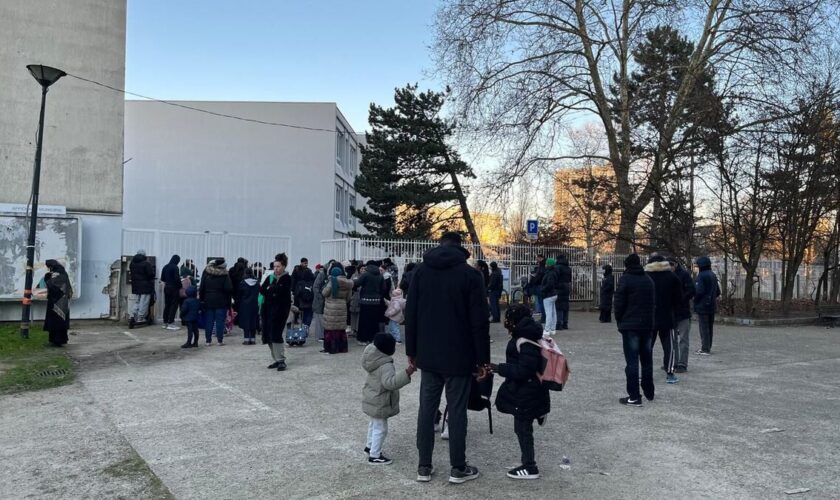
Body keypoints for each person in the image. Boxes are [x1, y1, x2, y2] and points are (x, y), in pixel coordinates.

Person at [405, 232, 490, 485]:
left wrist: (412, 350)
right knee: (457, 411)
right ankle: (458, 467)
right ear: (461, 248)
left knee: (426, 409)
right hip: (459, 355)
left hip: (428, 354)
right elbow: (479, 322)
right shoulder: (471, 275)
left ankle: (423, 466)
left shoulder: (420, 272)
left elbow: (411, 313)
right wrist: (482, 360)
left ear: (439, 245)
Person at [490, 303, 550, 480]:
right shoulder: (528, 334)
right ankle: (539, 412)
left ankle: (530, 467)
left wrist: (499, 368)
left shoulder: (524, 341)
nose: (506, 322)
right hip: (530, 391)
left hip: (528, 392)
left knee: (522, 428)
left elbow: (524, 370)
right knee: (521, 425)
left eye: (508, 319)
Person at [362, 334, 416, 465]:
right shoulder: (385, 365)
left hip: (372, 398)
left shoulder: (372, 359)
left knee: (373, 424)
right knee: (381, 428)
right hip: (381, 400)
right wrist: (407, 373)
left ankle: (369, 447)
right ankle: (375, 455)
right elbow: (390, 383)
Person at [614, 254, 656, 407]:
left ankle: (634, 396)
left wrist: (620, 321)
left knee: (631, 362)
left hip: (630, 326)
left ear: (626, 265)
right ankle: (649, 390)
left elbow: (618, 303)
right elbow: (653, 303)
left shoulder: (625, 279)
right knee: (646, 360)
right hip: (647, 325)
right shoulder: (648, 279)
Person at [645, 255, 683, 384]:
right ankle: (670, 372)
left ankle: (645, 372)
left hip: (649, 318)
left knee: (647, 346)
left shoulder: (646, 277)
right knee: (669, 347)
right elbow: (679, 299)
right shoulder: (672, 277)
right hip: (668, 317)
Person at [261, 254, 292, 371]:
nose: (276, 269)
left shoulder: (287, 278)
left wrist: (272, 289)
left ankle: (281, 360)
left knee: (276, 334)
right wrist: (272, 289)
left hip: (280, 311)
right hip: (268, 310)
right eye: (274, 266)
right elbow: (262, 289)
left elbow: (281, 292)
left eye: (278, 266)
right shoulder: (270, 277)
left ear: (283, 266)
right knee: (268, 335)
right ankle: (275, 359)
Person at [669, 257, 696, 373]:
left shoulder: (684, 275)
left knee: (683, 339)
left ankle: (682, 363)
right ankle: (673, 362)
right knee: (673, 340)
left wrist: (682, 299)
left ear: (674, 265)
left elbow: (691, 290)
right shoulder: (668, 275)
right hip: (672, 312)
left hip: (682, 311)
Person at [199, 258, 233, 346]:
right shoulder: (225, 274)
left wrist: (202, 299)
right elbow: (228, 289)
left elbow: (202, 287)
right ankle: (219, 340)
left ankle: (208, 341)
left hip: (208, 300)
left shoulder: (206, 272)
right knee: (220, 321)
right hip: (221, 301)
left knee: (209, 321)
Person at [322, 264, 353, 353]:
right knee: (340, 329)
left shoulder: (332, 281)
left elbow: (324, 293)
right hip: (342, 307)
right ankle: (342, 348)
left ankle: (331, 348)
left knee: (331, 329)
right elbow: (348, 298)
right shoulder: (348, 283)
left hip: (330, 308)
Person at [354, 261, 386, 346]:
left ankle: (363, 339)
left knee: (364, 321)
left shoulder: (365, 274)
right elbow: (383, 288)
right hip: (376, 302)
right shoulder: (380, 275)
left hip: (365, 301)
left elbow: (357, 283)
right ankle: (373, 339)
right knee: (374, 321)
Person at [42, 259, 73, 347]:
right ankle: (56, 339)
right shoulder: (63, 273)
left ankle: (57, 340)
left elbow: (54, 288)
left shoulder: (57, 274)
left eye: (49, 267)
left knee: (56, 322)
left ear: (52, 266)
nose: (48, 269)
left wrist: (47, 278)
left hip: (56, 302)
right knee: (59, 321)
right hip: (63, 302)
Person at [694, 256, 720, 355]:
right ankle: (708, 347)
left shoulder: (701, 276)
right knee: (709, 327)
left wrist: (695, 300)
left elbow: (699, 291)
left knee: (703, 327)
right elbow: (718, 291)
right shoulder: (713, 275)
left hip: (702, 305)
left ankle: (705, 348)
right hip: (712, 305)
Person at [128, 249, 155, 328]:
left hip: (136, 286)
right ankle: (140, 318)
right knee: (144, 302)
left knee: (137, 301)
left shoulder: (132, 263)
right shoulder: (146, 263)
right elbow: (151, 274)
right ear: (144, 255)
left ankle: (132, 316)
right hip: (146, 286)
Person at [160, 254, 182, 331]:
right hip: (174, 288)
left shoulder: (165, 267)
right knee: (174, 305)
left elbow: (162, 278)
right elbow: (177, 278)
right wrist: (180, 286)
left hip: (167, 288)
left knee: (167, 305)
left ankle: (165, 322)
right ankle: (171, 323)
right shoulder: (175, 267)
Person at [238, 268, 260, 345]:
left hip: (245, 305)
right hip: (254, 303)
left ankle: (246, 339)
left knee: (246, 321)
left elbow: (239, 295)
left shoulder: (242, 283)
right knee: (253, 320)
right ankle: (253, 339)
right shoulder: (257, 283)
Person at [540, 258, 559, 337]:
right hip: (553, 294)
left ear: (549, 265)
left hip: (548, 295)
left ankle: (547, 330)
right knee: (553, 313)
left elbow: (549, 284)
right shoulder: (554, 272)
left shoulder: (549, 273)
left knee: (549, 313)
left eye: (546, 263)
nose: (545, 265)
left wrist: (542, 290)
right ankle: (552, 329)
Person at [311, 263, 329, 342]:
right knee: (319, 319)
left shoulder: (331, 276)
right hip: (319, 301)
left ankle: (325, 335)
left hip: (327, 301)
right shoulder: (321, 275)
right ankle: (320, 336)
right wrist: (320, 297)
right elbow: (315, 287)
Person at [229, 257, 248, 325]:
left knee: (234, 305)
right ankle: (241, 320)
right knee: (242, 306)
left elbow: (229, 279)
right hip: (242, 290)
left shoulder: (231, 269)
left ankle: (234, 320)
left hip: (233, 290)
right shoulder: (245, 269)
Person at [527, 255, 547, 324]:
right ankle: (544, 317)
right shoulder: (543, 266)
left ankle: (543, 318)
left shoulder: (542, 266)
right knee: (541, 302)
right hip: (541, 286)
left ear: (541, 258)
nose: (536, 260)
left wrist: (534, 279)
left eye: (537, 258)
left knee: (541, 302)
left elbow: (539, 276)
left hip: (539, 286)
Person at [555, 255, 572, 330]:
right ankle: (565, 323)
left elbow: (556, 278)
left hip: (559, 287)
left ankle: (559, 323)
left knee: (559, 306)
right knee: (565, 306)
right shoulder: (568, 268)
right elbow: (570, 279)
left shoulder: (558, 267)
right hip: (566, 287)